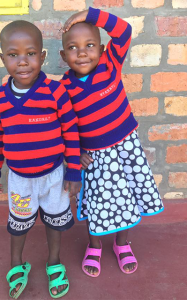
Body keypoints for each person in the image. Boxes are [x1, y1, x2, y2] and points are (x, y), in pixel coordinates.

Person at [60, 7, 164, 277]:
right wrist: (76, 153)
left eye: (90, 45)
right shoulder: (65, 88)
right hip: (94, 156)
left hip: (126, 149)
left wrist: (90, 14)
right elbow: (66, 127)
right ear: (63, 56)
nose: (82, 52)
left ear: (103, 49)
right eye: (73, 47)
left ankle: (122, 243)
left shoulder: (111, 64)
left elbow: (124, 31)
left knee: (125, 196)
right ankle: (93, 245)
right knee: (97, 201)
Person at [0, 20, 82, 299]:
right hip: (19, 180)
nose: (23, 61)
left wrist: (73, 172)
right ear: (2, 57)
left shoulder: (56, 93)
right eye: (13, 54)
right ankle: (17, 263)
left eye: (30, 53)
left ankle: (54, 262)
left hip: (54, 177)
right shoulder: (1, 98)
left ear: (42, 56)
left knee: (55, 222)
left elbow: (71, 134)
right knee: (19, 223)